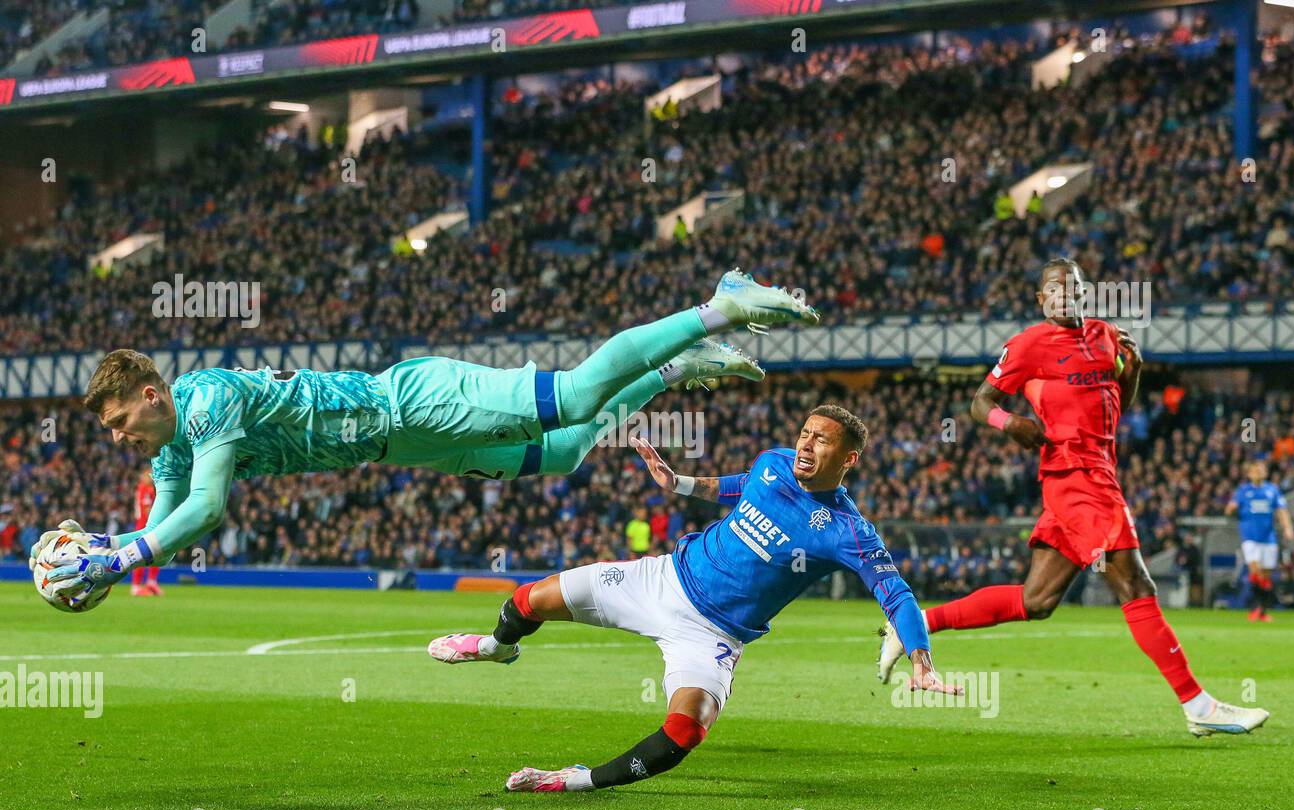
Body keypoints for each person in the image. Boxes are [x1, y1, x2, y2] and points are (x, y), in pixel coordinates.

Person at [36, 271, 816, 605]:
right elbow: (161, 529)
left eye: (117, 423)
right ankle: (679, 366)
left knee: (576, 393)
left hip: (411, 399)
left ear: (149, 394)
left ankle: (719, 305)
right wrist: (111, 547)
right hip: (403, 445)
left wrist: (124, 554)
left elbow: (203, 512)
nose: (116, 439)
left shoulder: (206, 400)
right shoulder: (171, 445)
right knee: (569, 450)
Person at [427, 405, 958, 793]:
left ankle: (577, 780)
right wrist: (677, 482)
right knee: (529, 598)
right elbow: (738, 485)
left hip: (713, 635)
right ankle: (497, 647)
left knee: (684, 731)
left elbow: (897, 593)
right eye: (805, 432)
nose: (805, 444)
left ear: (849, 458)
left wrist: (921, 659)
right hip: (662, 580)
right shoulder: (772, 463)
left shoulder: (847, 531)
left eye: (822, 440)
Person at [878, 258, 1269, 737]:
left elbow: (1115, 407)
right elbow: (980, 403)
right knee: (1136, 586)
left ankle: (914, 623)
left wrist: (1135, 371)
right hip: (1075, 479)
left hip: (1099, 474)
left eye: (1071, 286)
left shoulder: (1107, 337)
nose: (1062, 293)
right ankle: (1198, 704)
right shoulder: (1029, 345)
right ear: (1040, 300)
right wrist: (1012, 423)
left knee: (1037, 599)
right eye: (1051, 289)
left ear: (1084, 292)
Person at [1226, 459, 1294, 622]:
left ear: (1266, 473)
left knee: (1266, 576)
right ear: (1249, 474)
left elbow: (1282, 511)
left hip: (1268, 538)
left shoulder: (1272, 490)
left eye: (1261, 469)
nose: (1259, 472)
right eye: (1255, 469)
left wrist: (1287, 528)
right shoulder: (1243, 490)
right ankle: (1255, 608)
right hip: (1250, 537)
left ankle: (1261, 611)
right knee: (1255, 570)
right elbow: (1230, 508)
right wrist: (1230, 510)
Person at [130, 468, 162, 597]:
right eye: (149, 475)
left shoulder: (144, 488)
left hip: (144, 524)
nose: (151, 477)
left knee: (158, 553)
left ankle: (151, 582)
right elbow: (146, 509)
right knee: (142, 555)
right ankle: (136, 586)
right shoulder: (145, 488)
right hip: (145, 526)